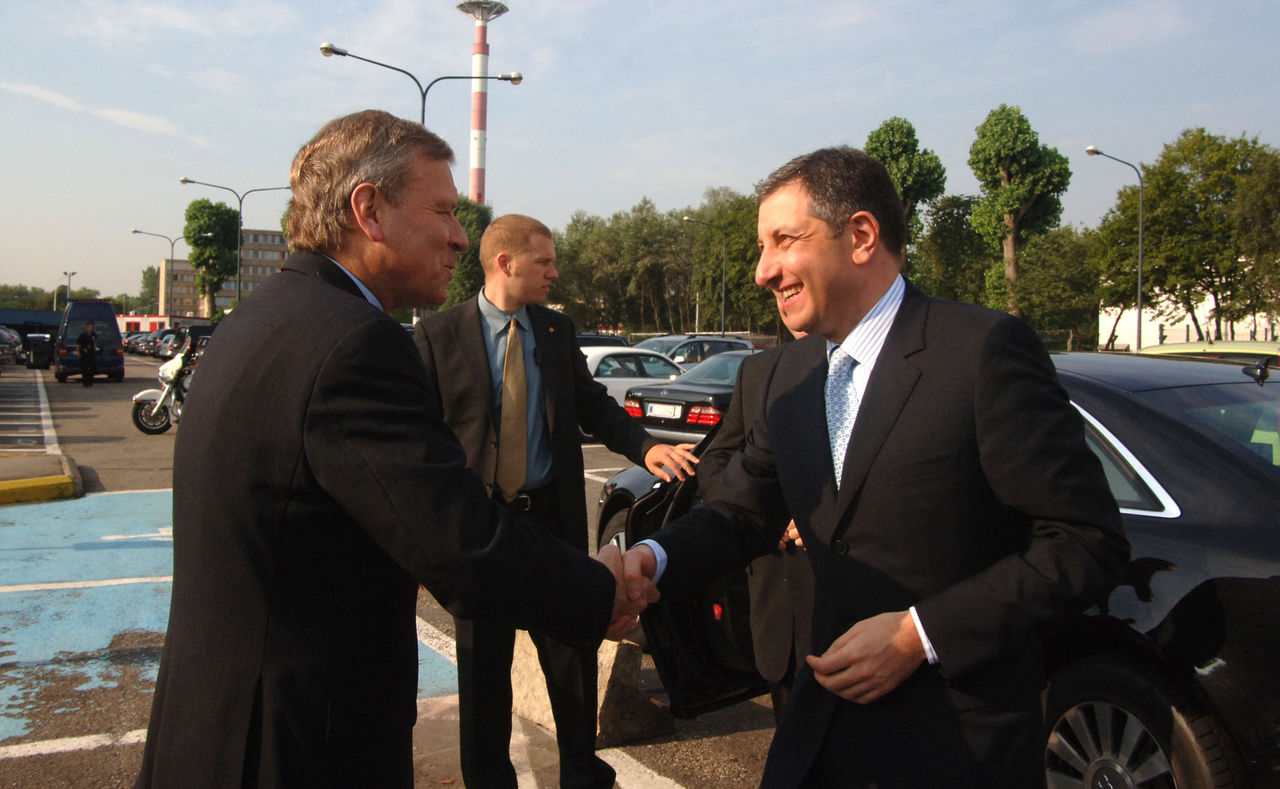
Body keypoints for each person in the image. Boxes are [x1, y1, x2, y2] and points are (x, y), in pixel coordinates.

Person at [135, 110, 650, 788]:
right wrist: (598, 590)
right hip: (294, 750)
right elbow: (458, 543)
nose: (459, 235)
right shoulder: (355, 343)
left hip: (215, 733)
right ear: (370, 210)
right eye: (441, 210)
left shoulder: (257, 318)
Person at [622, 146, 1129, 787]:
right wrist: (653, 559)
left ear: (860, 236)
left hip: (957, 744)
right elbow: (740, 513)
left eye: (784, 241)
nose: (763, 271)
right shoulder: (790, 376)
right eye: (761, 247)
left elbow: (1087, 542)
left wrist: (920, 634)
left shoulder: (980, 352)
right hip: (819, 732)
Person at [415, 213, 697, 789]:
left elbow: (593, 406)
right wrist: (427, 542)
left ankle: (581, 774)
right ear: (505, 263)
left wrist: (645, 450)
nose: (554, 272)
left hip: (551, 524)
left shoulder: (555, 331)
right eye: (544, 262)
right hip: (482, 532)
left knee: (571, 660)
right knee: (484, 675)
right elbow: (423, 442)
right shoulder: (437, 336)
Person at [697, 340, 814, 723]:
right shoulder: (758, 370)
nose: (771, 280)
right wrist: (758, 514)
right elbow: (715, 460)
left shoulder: (881, 365)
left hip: (852, 611)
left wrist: (822, 518)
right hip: (776, 600)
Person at [76, 320, 98, 387]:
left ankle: (90, 381)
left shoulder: (94, 335)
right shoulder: (82, 336)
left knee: (92, 368)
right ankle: (85, 382)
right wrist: (78, 352)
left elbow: (95, 343)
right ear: (87, 327)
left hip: (91, 353)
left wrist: (94, 349)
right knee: (84, 369)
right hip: (84, 353)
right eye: (90, 327)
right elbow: (78, 344)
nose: (91, 329)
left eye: (92, 327)